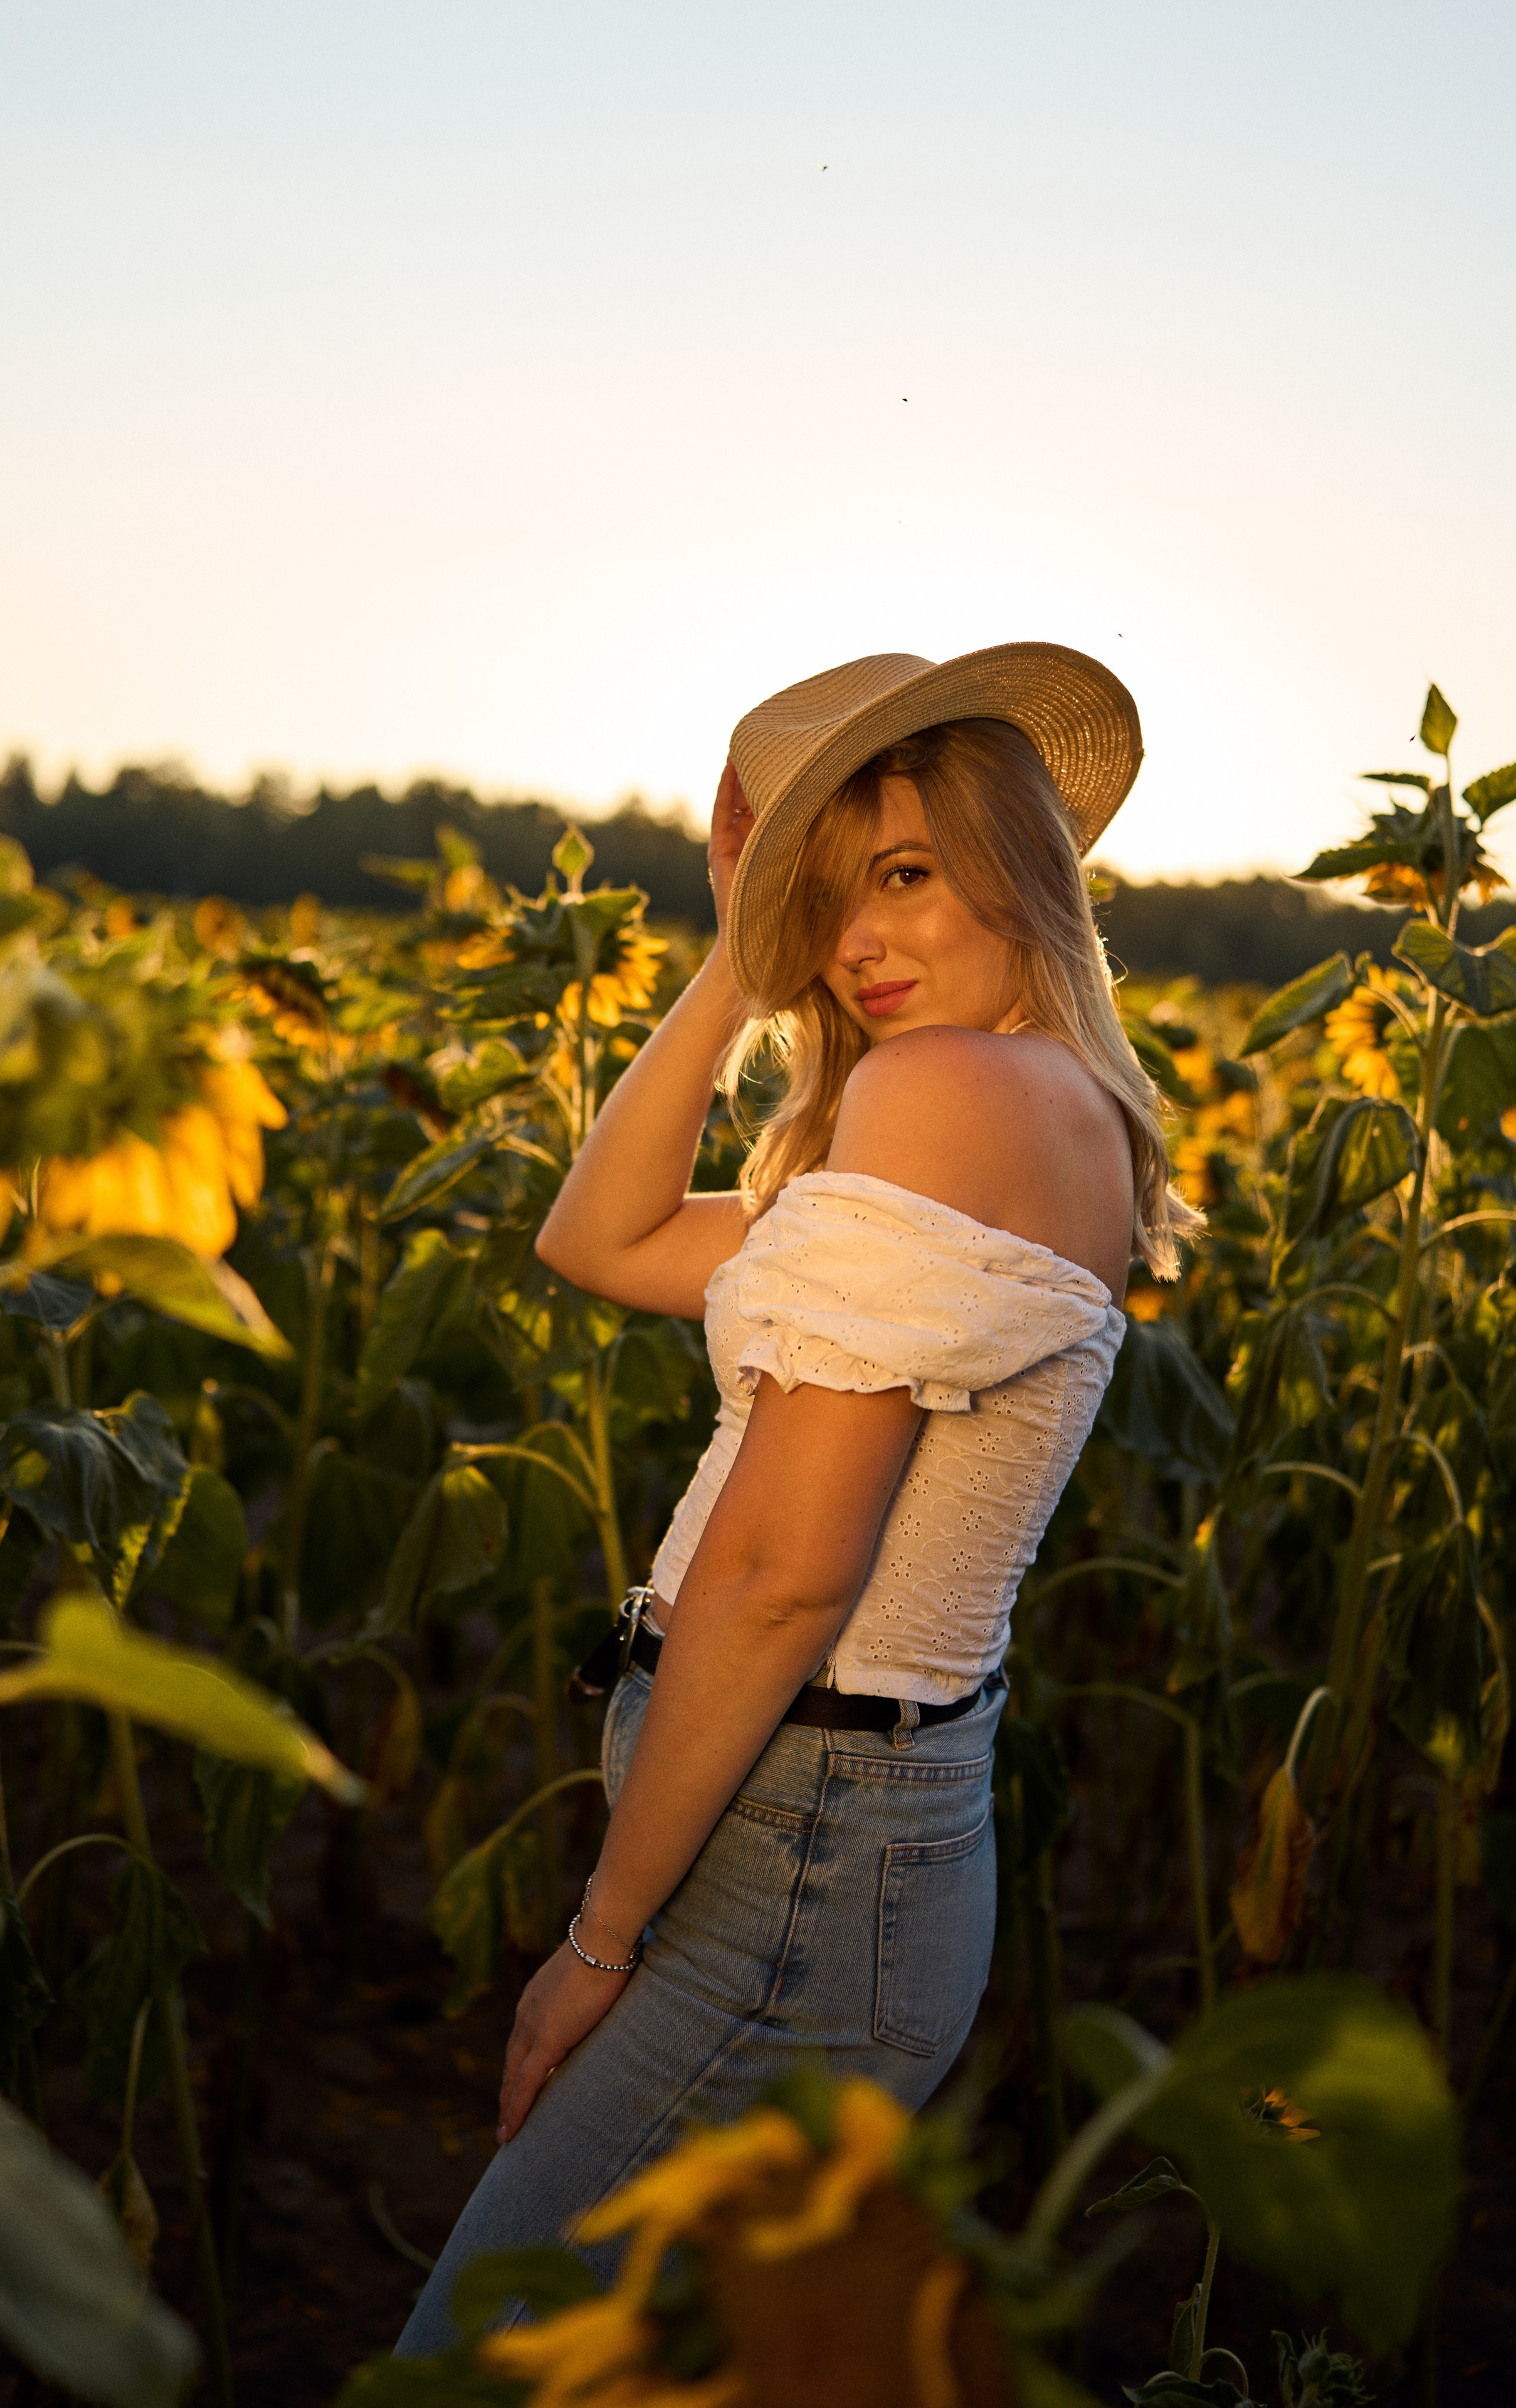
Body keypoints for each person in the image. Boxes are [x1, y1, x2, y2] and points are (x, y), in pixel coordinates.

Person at [396, 642, 1202, 2354]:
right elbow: (599, 1238)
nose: (856, 943)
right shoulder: (1017, 1117)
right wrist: (730, 962)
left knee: (478, 2369)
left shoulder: (944, 1101)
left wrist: (599, 1940)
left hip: (799, 1860)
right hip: (845, 1852)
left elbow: (781, 1572)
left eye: (903, 874)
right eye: (821, 900)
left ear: (1022, 868)